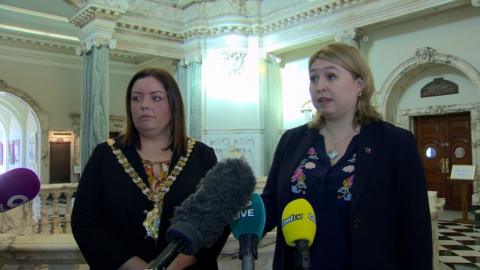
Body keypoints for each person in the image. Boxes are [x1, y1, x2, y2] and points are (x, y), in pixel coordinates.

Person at [261, 43, 432, 270]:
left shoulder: (395, 143)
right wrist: (238, 211)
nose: (319, 86)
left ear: (359, 84)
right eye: (313, 79)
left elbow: (415, 228)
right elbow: (271, 203)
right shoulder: (292, 140)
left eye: (331, 76)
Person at [71, 68, 229, 270]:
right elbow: (85, 222)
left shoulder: (201, 155)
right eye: (136, 98)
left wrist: (177, 263)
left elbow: (218, 218)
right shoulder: (105, 155)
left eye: (156, 98)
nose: (144, 105)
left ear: (173, 106)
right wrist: (133, 265)